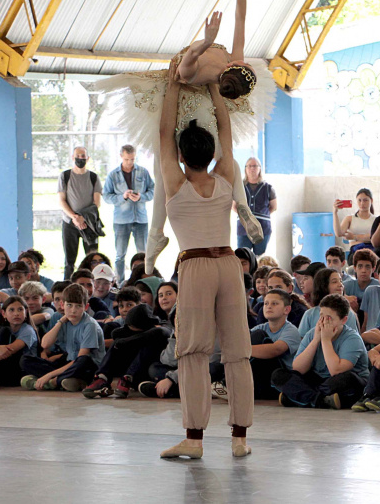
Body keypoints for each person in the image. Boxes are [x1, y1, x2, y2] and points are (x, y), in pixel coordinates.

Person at [96, 0, 274, 275]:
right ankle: (241, 206)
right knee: (222, 156)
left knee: (167, 165)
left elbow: (184, 67)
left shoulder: (209, 70)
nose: (244, 60)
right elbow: (241, 19)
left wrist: (204, 43)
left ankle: (155, 236)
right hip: (205, 106)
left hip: (185, 105)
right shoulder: (233, 60)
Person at [154, 50, 254, 460]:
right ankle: (240, 439)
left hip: (194, 265)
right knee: (237, 351)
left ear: (181, 154)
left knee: (192, 352)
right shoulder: (227, 173)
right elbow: (227, 130)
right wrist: (215, 86)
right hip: (229, 263)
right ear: (211, 153)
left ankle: (194, 440)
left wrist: (175, 83)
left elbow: (163, 131)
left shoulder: (175, 180)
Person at [272, 294, 368, 409]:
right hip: (319, 381)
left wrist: (326, 340)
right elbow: (298, 368)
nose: (323, 322)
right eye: (321, 316)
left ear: (343, 320)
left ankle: (299, 397)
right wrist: (316, 339)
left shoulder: (352, 338)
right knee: (279, 375)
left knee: (347, 379)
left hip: (341, 381)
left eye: (329, 318)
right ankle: (319, 400)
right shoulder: (312, 334)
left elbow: (336, 371)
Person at [19, 284, 105, 392]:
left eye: (78, 306)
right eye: (69, 305)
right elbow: (45, 344)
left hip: (88, 368)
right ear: (62, 305)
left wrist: (49, 375)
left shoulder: (90, 325)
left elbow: (80, 359)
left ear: (86, 307)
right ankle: (67, 380)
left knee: (83, 361)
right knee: (25, 360)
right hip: (69, 362)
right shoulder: (64, 321)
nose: (73, 310)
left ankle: (53, 382)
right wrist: (61, 322)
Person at [81, 303, 168, 399]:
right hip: (126, 367)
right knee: (116, 344)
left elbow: (161, 332)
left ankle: (128, 378)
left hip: (144, 372)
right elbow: (116, 334)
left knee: (147, 346)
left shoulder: (159, 330)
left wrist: (126, 341)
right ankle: (102, 378)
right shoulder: (124, 331)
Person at [103, 144, 155, 282]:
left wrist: (141, 197)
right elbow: (106, 196)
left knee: (143, 254)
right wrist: (123, 197)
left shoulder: (143, 172)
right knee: (120, 255)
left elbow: (153, 191)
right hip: (121, 220)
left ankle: (144, 281)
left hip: (141, 219)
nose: (130, 162)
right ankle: (119, 283)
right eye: (127, 159)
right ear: (121, 156)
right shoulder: (113, 175)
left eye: (132, 159)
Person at [58, 146, 103, 280]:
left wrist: (83, 218)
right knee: (69, 261)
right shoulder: (65, 176)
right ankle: (66, 286)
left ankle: (93, 285)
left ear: (87, 158)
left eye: (83, 156)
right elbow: (61, 200)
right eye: (78, 156)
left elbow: (97, 203)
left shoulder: (93, 177)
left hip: (89, 224)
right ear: (73, 157)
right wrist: (75, 217)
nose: (80, 159)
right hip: (69, 224)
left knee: (92, 260)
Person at [249, 289, 302, 400]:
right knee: (216, 366)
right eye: (266, 303)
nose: (269, 307)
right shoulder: (261, 327)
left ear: (286, 309)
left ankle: (230, 385)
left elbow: (276, 349)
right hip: (261, 375)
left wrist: (242, 350)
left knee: (257, 336)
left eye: (274, 303)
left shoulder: (290, 330)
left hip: (279, 378)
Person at [236, 157, 276, 256]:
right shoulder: (239, 187)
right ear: (245, 169)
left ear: (259, 168)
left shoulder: (268, 187)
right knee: (243, 256)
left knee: (259, 256)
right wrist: (246, 217)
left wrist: (260, 215)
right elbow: (234, 205)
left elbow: (274, 206)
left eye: (254, 166)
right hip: (243, 228)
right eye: (249, 166)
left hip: (263, 228)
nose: (252, 169)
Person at [333, 188, 375, 253]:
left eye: (365, 200)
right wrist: (335, 212)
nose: (362, 203)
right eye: (359, 200)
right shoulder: (349, 219)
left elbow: (373, 238)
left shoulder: (376, 220)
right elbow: (338, 233)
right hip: (355, 251)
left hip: (372, 251)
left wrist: (354, 237)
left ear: (371, 201)